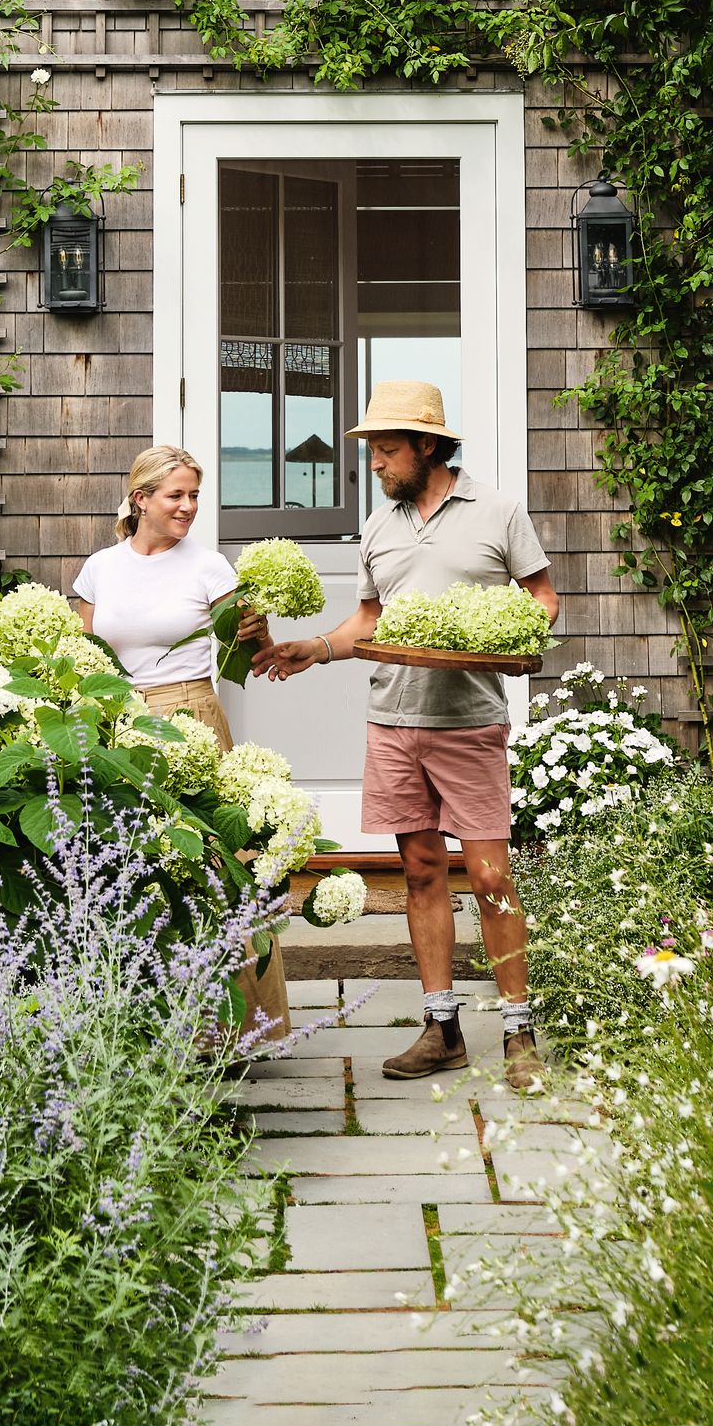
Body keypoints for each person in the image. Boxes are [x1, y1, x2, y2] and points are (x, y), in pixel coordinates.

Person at [252, 381, 557, 1093]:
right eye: (374, 452)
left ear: (427, 445)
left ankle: (519, 1028)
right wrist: (314, 649)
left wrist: (513, 636)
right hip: (393, 724)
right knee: (421, 872)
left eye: (387, 450)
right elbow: (368, 622)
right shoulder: (379, 526)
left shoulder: (498, 510)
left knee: (489, 877)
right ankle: (442, 1026)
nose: (377, 465)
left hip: (470, 722)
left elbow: (542, 596)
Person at [70, 443, 290, 1041]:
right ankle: (146, 1026)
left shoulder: (209, 567)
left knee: (217, 870)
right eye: (177, 495)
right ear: (140, 499)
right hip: (115, 725)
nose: (190, 506)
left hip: (189, 714)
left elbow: (248, 652)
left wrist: (259, 626)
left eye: (195, 494)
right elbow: (81, 657)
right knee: (131, 870)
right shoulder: (100, 569)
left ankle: (244, 1027)